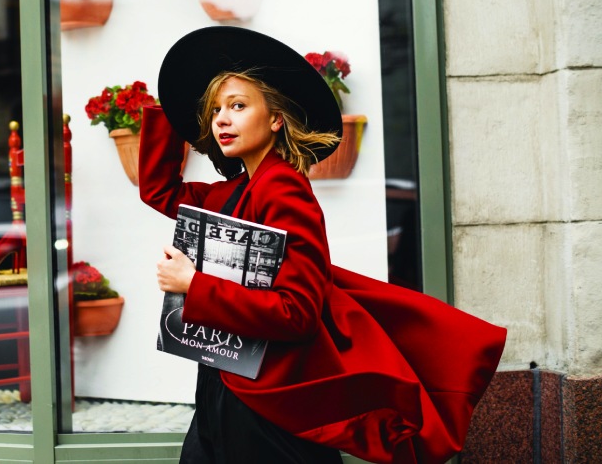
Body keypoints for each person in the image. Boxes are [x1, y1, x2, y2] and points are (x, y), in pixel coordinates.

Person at [139, 27, 506, 464]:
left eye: (238, 106)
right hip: (223, 384)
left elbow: (297, 313)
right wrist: (173, 105)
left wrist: (193, 285)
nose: (221, 118)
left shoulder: (284, 191)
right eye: (216, 109)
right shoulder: (232, 193)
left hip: (268, 404)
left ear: (276, 119)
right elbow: (159, 190)